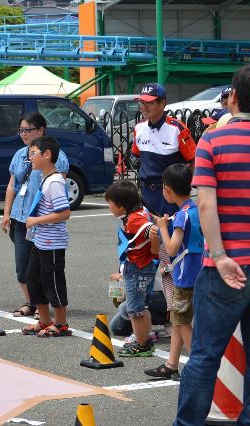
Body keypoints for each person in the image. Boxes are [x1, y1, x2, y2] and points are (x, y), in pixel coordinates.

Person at [175, 66, 250, 425]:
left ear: (232, 97)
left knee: (205, 356)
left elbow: (204, 203)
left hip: (224, 267)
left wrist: (220, 256)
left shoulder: (212, 141)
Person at [1, 112, 69, 319]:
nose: (23, 134)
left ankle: (48, 310)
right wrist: (6, 213)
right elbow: (12, 185)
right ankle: (32, 303)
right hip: (20, 218)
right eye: (20, 130)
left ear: (41, 130)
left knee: (46, 269)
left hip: (41, 221)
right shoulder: (19, 154)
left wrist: (39, 219)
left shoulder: (56, 157)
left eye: (27, 130)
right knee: (24, 268)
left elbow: (60, 195)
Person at [146, 164, 203, 380]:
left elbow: (170, 249)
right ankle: (171, 364)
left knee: (181, 321)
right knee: (179, 320)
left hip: (184, 275)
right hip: (198, 271)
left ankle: (197, 366)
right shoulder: (196, 210)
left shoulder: (181, 216)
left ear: (167, 189)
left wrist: (161, 227)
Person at [19, 137, 72, 337]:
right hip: (40, 240)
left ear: (47, 154)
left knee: (53, 282)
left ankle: (61, 323)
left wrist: (36, 221)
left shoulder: (55, 182)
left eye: (33, 154)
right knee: (33, 279)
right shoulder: (45, 179)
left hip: (52, 242)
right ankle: (44, 320)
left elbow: (64, 213)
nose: (30, 158)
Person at [104, 180, 160, 356]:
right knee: (142, 307)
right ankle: (145, 338)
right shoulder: (139, 212)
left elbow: (153, 230)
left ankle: (141, 344)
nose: (109, 208)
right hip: (144, 266)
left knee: (135, 309)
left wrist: (154, 247)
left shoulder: (136, 219)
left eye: (110, 204)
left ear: (121, 206)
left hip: (137, 268)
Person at [133, 82, 197, 217]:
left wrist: (184, 190)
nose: (143, 107)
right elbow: (137, 157)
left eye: (149, 103)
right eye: (141, 102)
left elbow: (194, 160)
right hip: (146, 194)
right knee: (149, 235)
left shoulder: (177, 129)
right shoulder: (139, 128)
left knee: (173, 235)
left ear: (162, 103)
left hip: (171, 194)